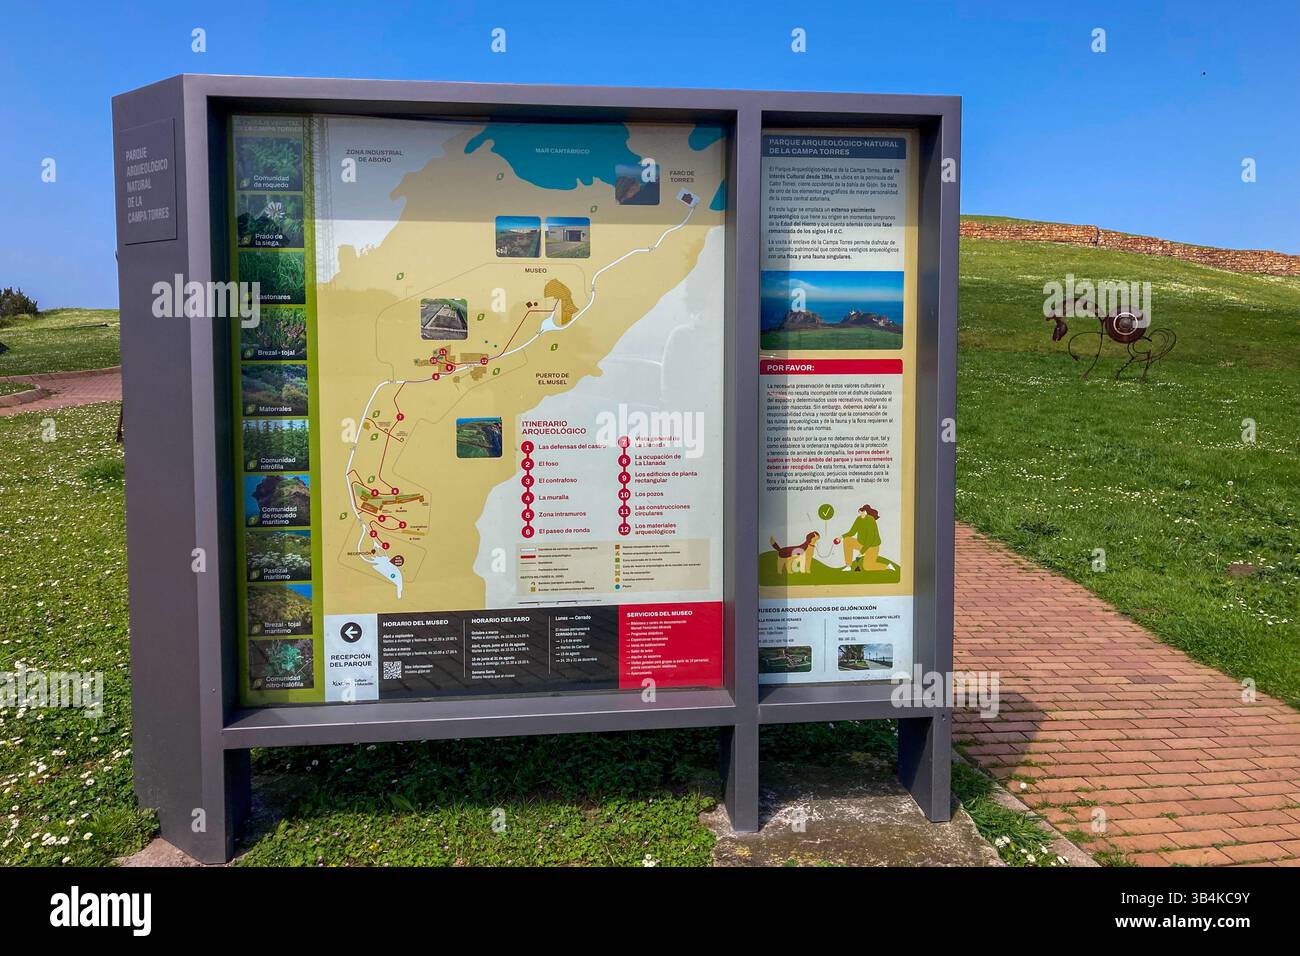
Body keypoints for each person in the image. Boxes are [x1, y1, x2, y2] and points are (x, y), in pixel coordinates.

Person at [839, 503, 891, 571]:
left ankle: (887, 567)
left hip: (872, 546)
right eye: (860, 510)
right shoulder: (859, 519)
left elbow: (870, 540)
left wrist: (861, 553)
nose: (860, 511)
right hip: (861, 543)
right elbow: (852, 532)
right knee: (847, 540)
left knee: (867, 567)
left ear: (866, 512)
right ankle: (848, 566)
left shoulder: (870, 520)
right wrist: (841, 537)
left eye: (862, 510)